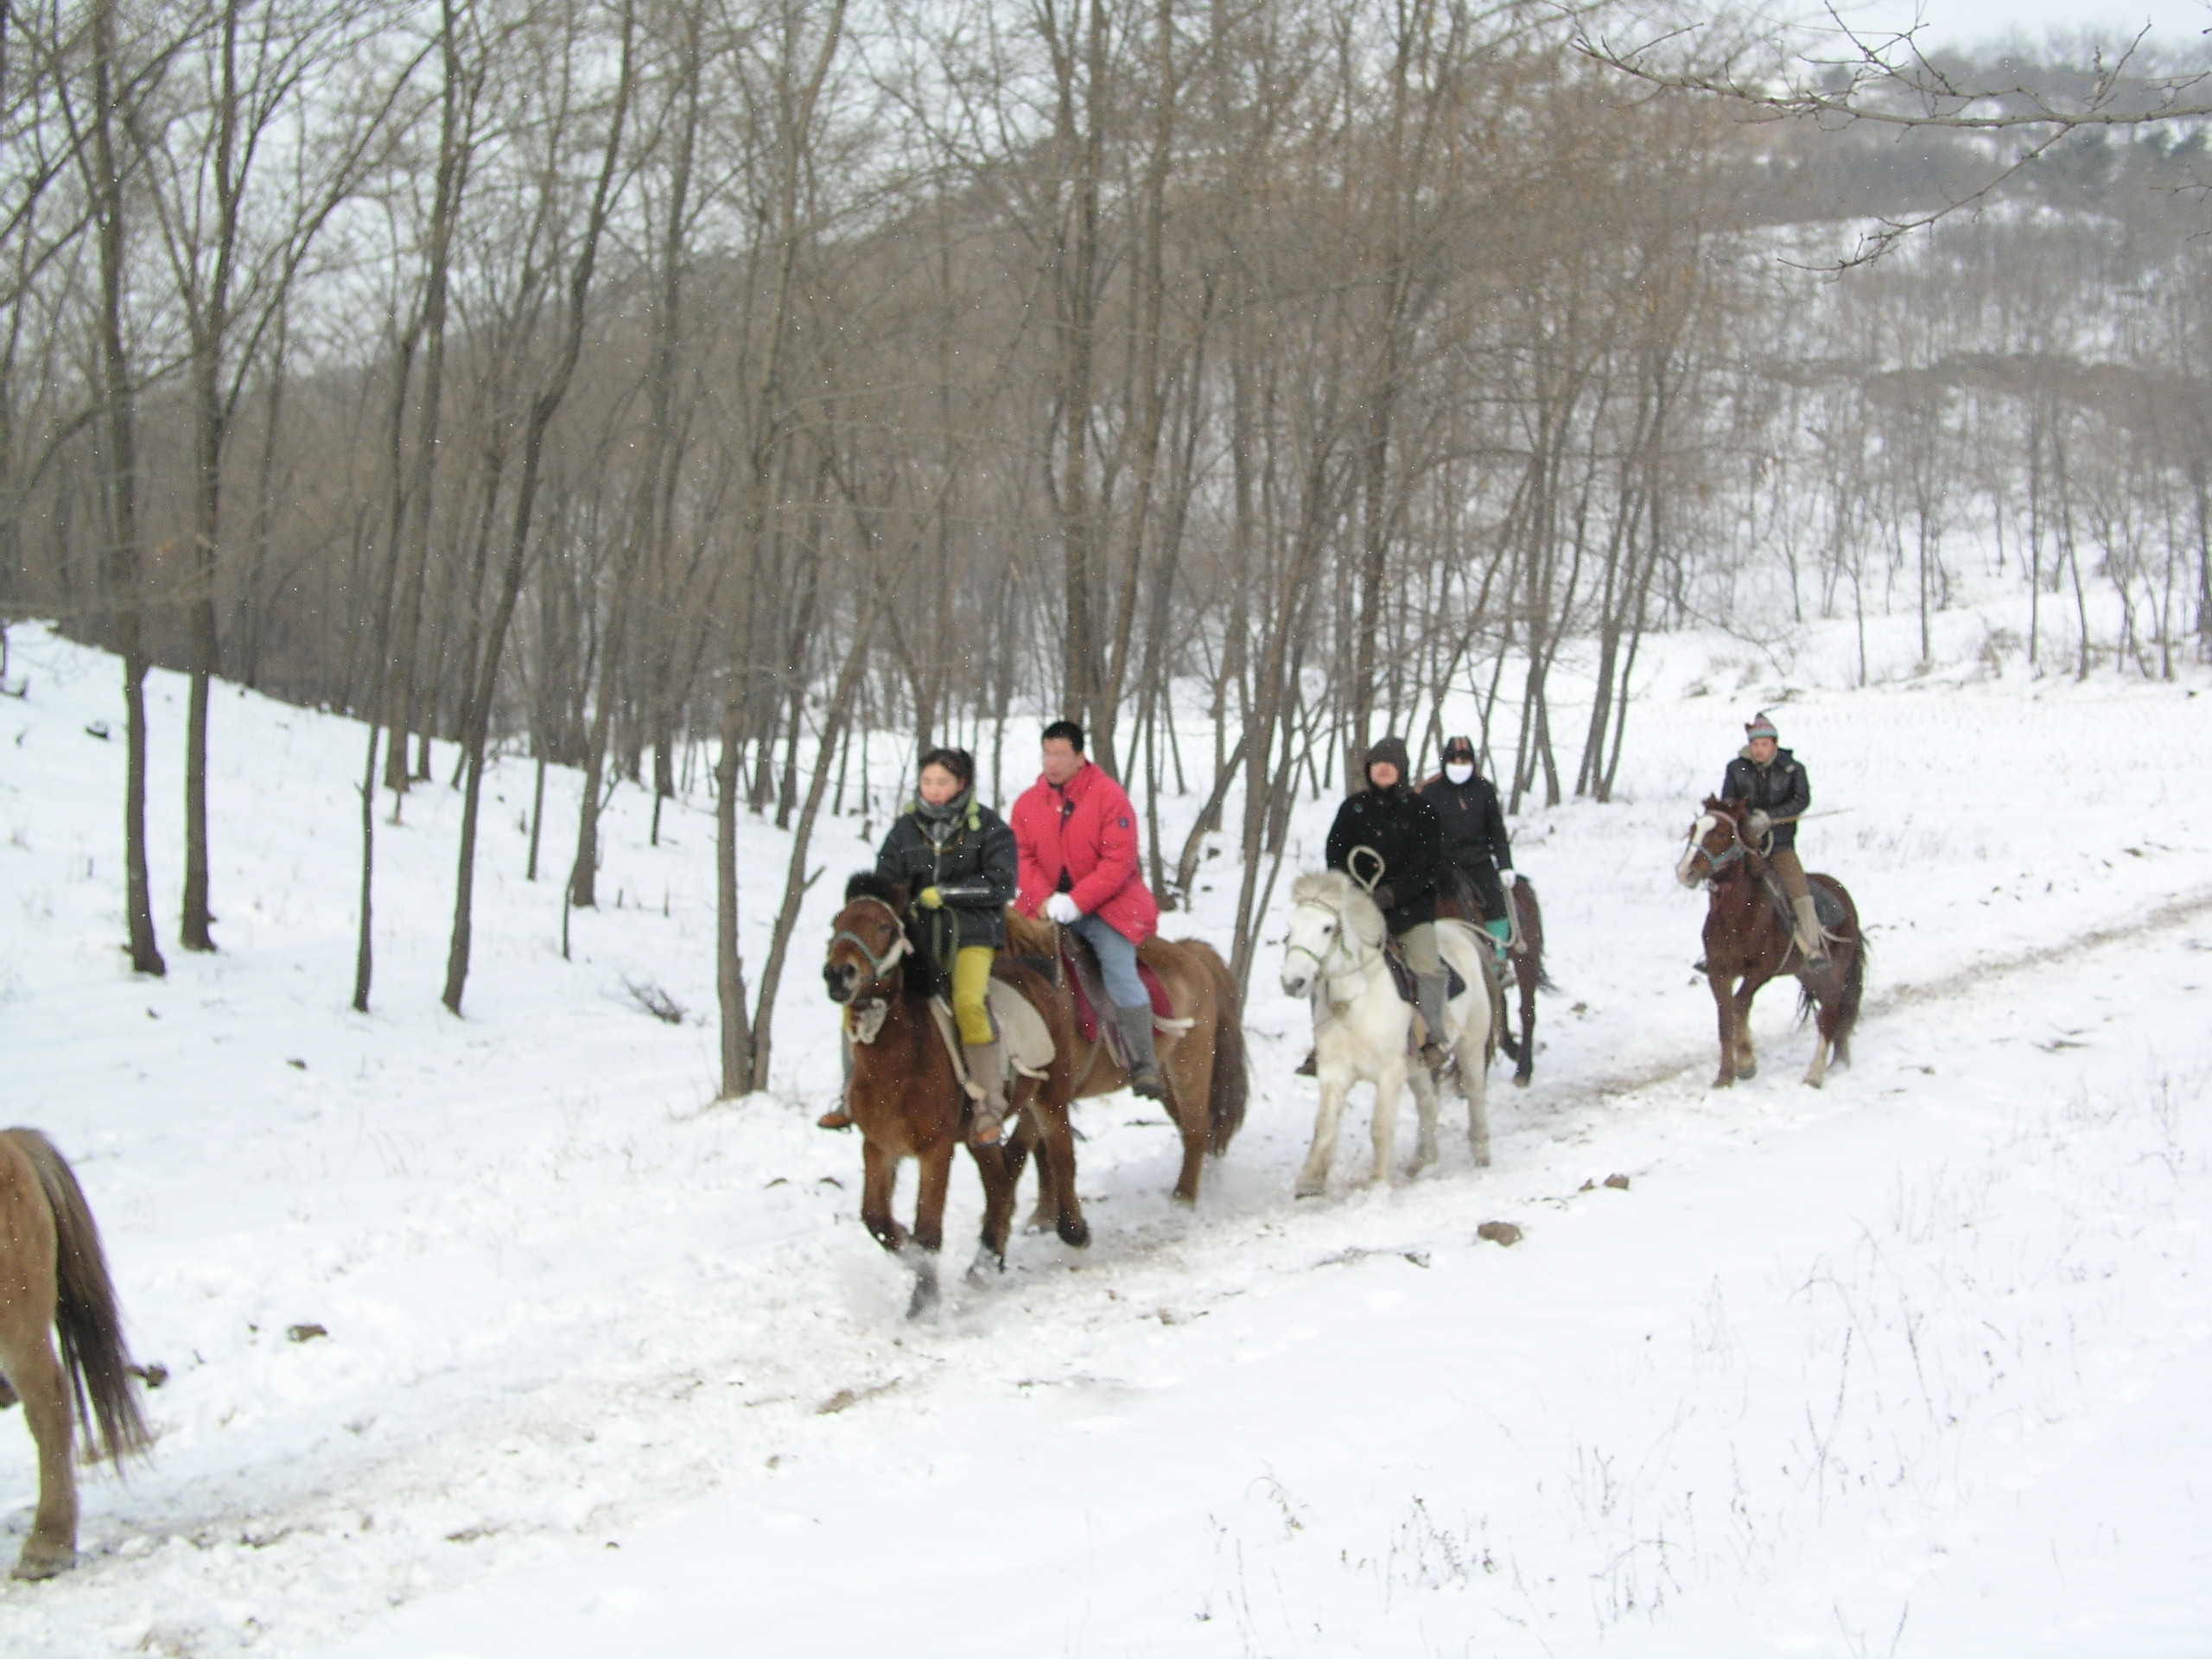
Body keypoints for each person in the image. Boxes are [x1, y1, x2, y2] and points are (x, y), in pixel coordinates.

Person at [817, 746, 1020, 1143]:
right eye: (926, 781)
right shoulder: (904, 830)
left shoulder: (990, 828)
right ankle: (849, 1093)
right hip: (917, 937)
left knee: (968, 1003)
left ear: (961, 784)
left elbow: (1001, 884)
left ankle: (987, 1104)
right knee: (857, 1003)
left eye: (941, 782)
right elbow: (884, 886)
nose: (933, 789)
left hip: (973, 934)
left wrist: (947, 894)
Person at [1009, 720, 1166, 1099]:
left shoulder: (1109, 797)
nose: (1052, 762)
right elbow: (1021, 855)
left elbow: (1118, 861)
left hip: (1104, 908)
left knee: (1118, 968)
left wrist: (1076, 902)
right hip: (1042, 907)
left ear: (1080, 757)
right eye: (1047, 754)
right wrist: (1046, 899)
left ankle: (1143, 1063)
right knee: (1010, 961)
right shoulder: (1028, 803)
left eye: (1061, 755)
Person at [1325, 735, 1451, 1072]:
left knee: (1426, 964)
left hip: (1409, 911)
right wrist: (1353, 892)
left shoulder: (1422, 810)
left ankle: (1433, 1038)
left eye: (1390, 763)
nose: (1383, 768)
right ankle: (1325, 1038)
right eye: (1377, 763)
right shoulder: (1352, 808)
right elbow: (1335, 855)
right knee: (1327, 960)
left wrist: (1392, 894)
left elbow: (1427, 864)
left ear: (1402, 769)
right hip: (1359, 910)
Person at [1722, 711, 1827, 969]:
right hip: (1746, 845)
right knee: (1724, 886)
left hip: (1779, 844)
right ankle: (1717, 948)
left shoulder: (1793, 769)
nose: (1759, 750)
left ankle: (1812, 946)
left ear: (1775, 745)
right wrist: (1747, 820)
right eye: (1755, 745)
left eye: (1764, 745)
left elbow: (1801, 800)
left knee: (1798, 889)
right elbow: (1728, 801)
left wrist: (1770, 817)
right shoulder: (1736, 769)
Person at [1421, 734, 1517, 969]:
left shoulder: (1484, 789)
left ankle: (1497, 955)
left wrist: (1504, 864)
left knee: (1495, 897)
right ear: (1445, 761)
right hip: (1440, 863)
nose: (1460, 765)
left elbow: (1496, 830)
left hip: (1477, 861)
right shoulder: (1429, 790)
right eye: (1454, 760)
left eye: (1465, 761)